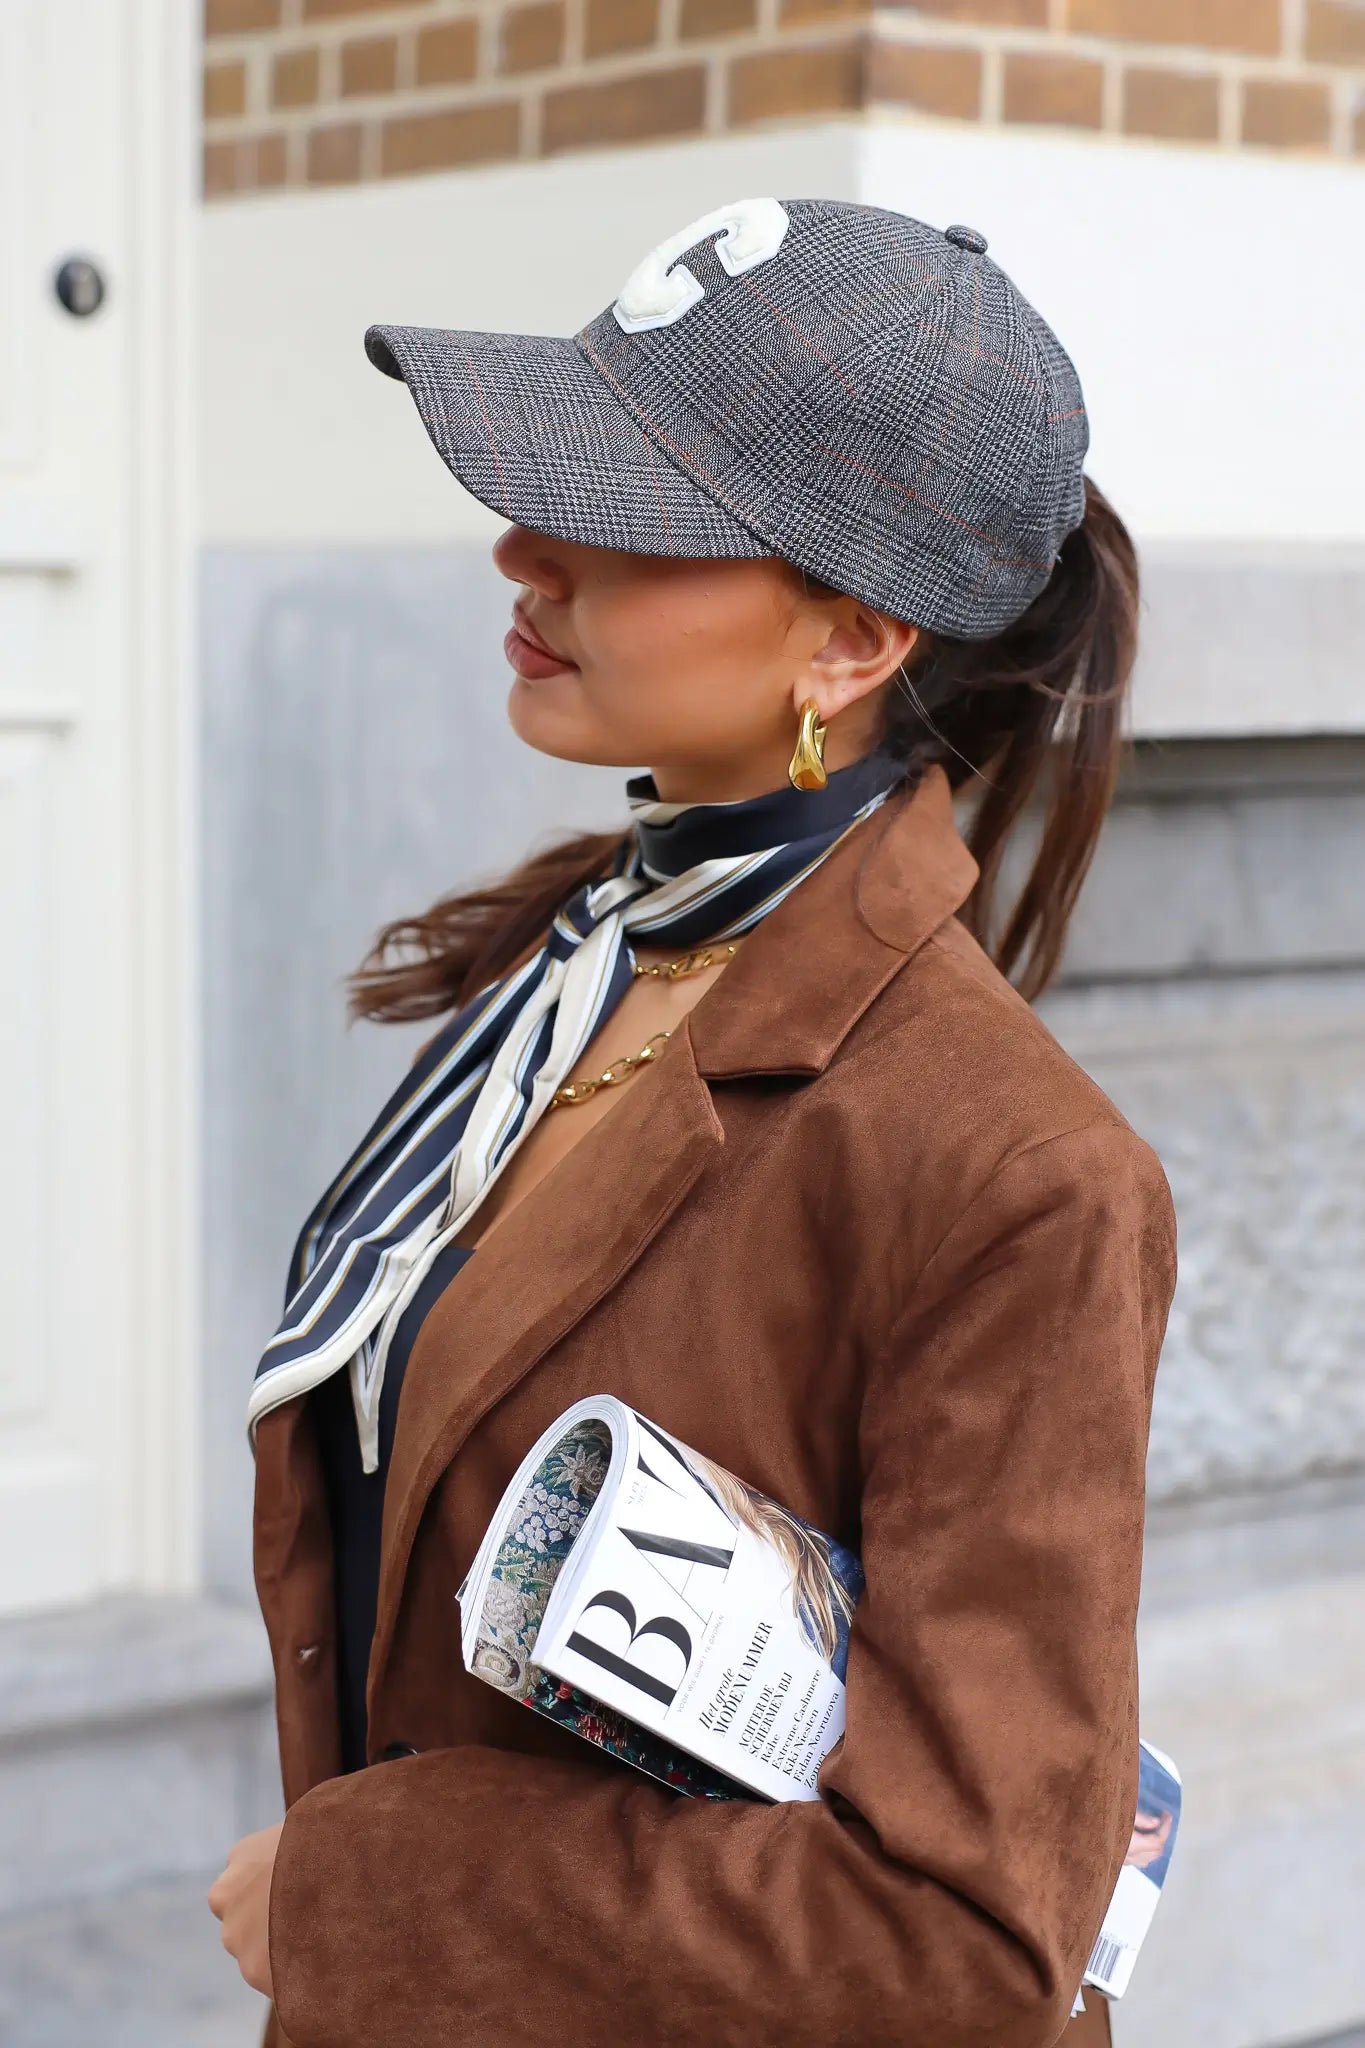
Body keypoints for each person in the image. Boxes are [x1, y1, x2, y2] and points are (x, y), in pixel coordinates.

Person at [208, 197, 1176, 2048]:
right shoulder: (589, 956)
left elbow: (963, 1935)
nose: (520, 549)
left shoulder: (1018, 1175)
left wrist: (364, 1890)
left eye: (632, 513)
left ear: (848, 643)